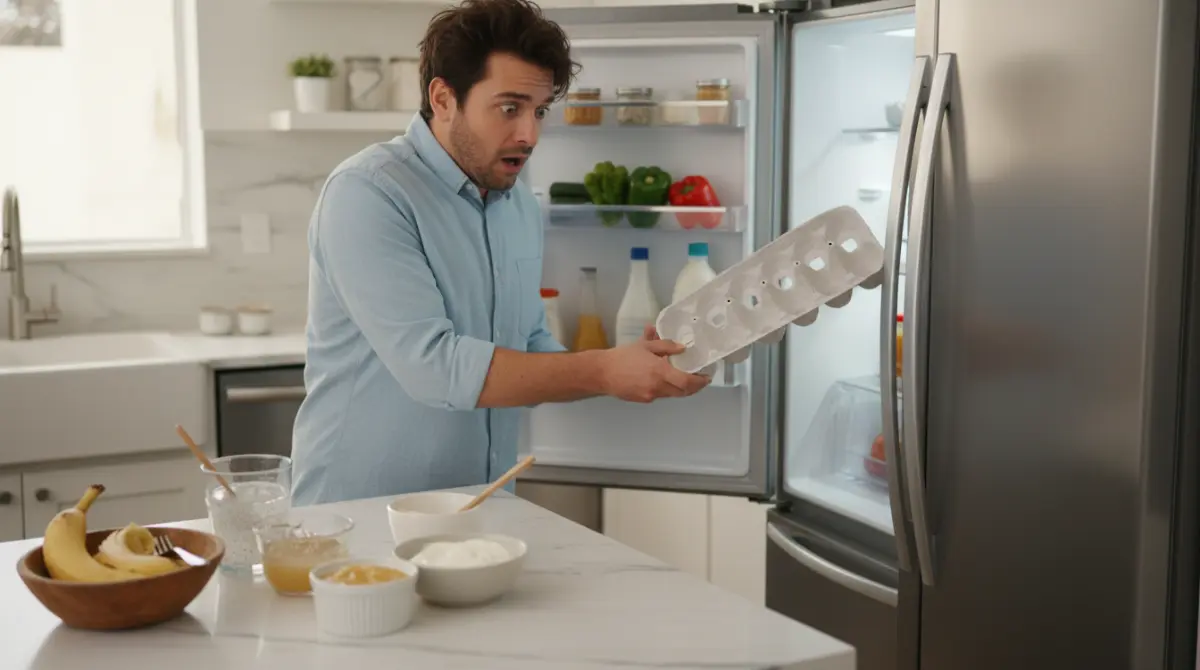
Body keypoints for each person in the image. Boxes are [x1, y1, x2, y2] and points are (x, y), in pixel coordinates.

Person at [291, 0, 709, 505]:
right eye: (509, 108)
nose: (529, 135)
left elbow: (527, 340)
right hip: (358, 519)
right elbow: (434, 367)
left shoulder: (517, 204)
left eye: (539, 111)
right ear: (443, 99)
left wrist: (630, 366)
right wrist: (602, 369)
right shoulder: (369, 193)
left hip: (481, 514)